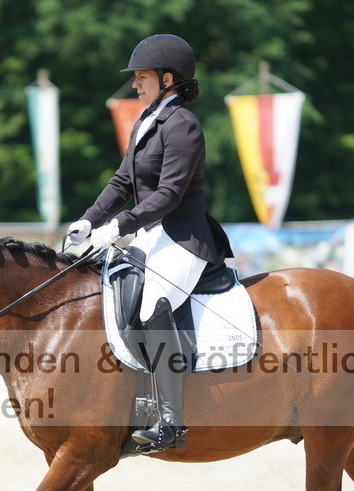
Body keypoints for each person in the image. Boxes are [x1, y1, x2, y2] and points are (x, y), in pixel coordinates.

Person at [65, 33, 232, 451]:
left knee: (152, 301)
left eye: (141, 78)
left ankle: (170, 422)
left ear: (168, 78)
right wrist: (88, 220)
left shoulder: (183, 126)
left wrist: (117, 226)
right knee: (107, 287)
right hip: (153, 233)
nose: (135, 85)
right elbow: (123, 181)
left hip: (185, 238)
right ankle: (130, 398)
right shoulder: (146, 121)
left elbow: (168, 195)